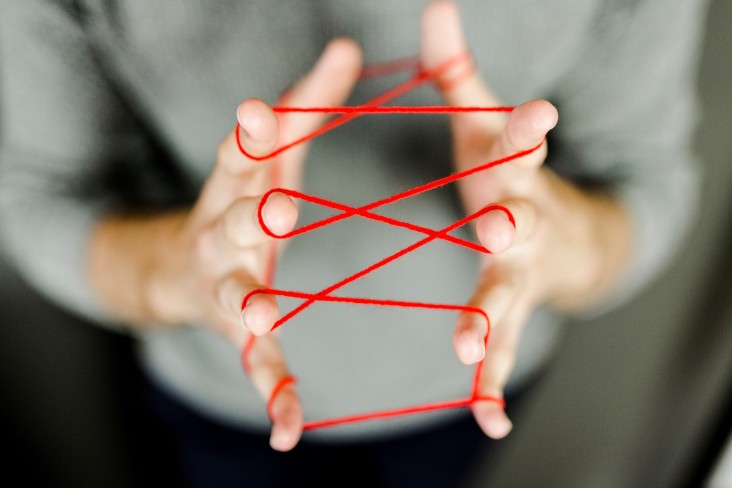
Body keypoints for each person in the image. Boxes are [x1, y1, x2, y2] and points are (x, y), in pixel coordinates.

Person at [0, 0, 706, 486]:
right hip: (217, 398)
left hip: (466, 402)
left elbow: (645, 183)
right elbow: (42, 200)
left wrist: (564, 243)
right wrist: (173, 273)